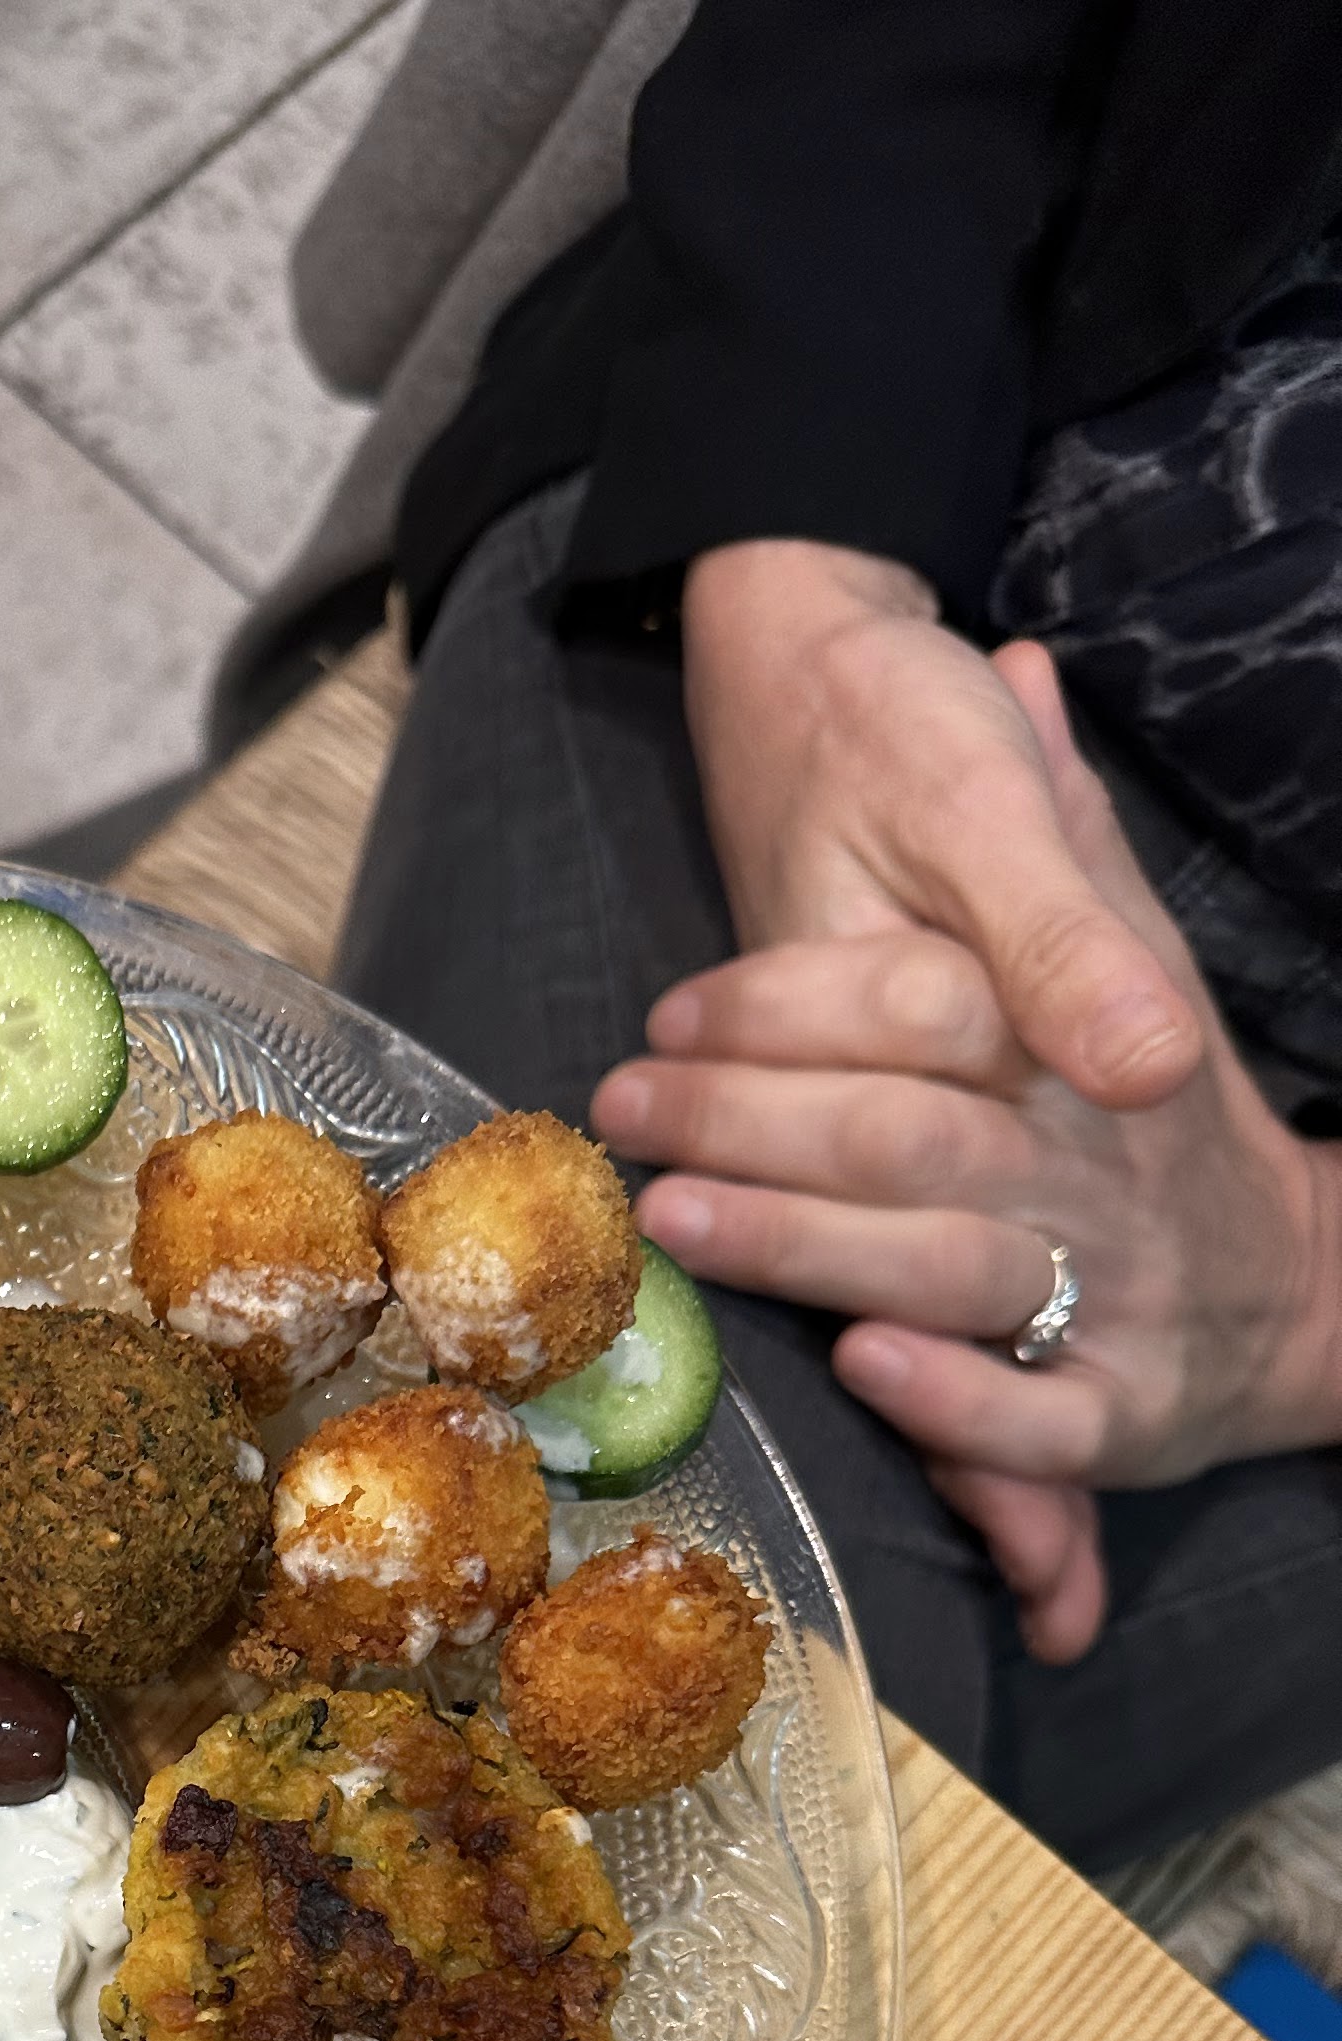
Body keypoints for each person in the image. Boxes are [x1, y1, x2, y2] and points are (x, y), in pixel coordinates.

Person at [268, 0, 1342, 1872]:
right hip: (867, 523)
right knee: (710, 1756)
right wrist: (812, 595)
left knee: (803, 1852)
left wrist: (1305, 1293)